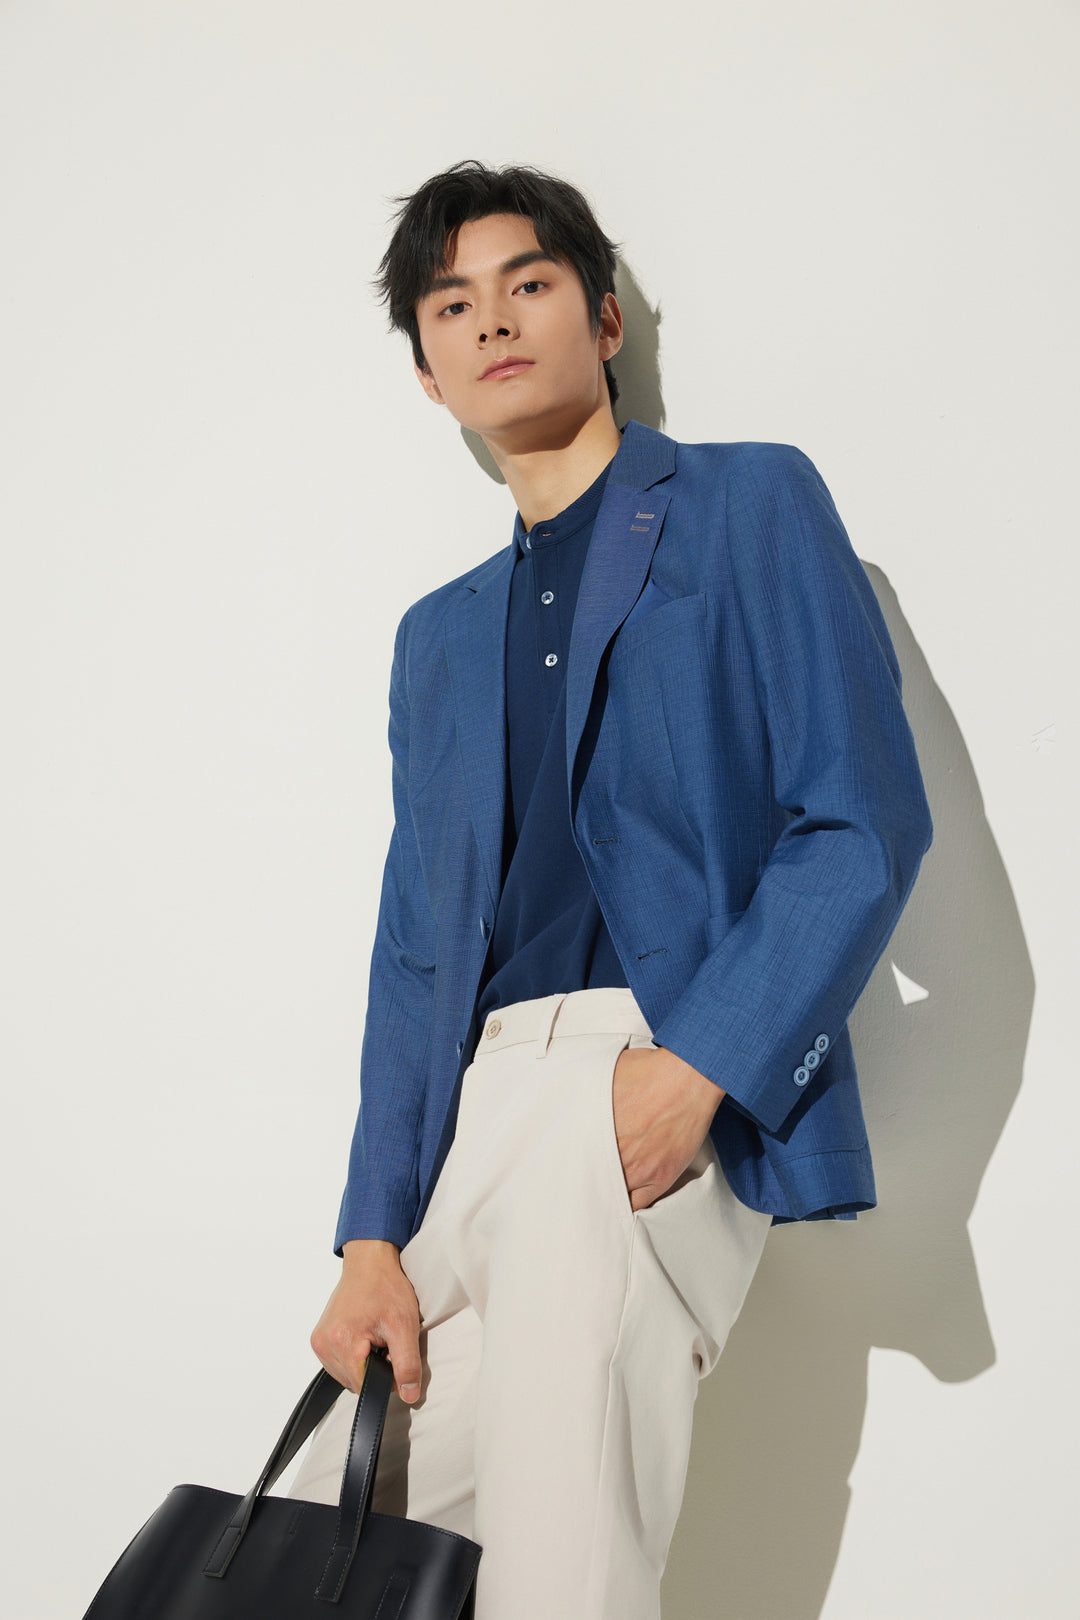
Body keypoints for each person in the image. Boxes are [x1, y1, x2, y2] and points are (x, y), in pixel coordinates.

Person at [286, 161, 933, 1619]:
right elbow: (414, 953)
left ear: (604, 318)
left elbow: (859, 819)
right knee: (326, 1552)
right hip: (465, 1130)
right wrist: (374, 1234)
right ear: (429, 373)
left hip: (630, 1083)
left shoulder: (749, 503)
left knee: (561, 1576)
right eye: (451, 304)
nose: (492, 319)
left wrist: (696, 1069)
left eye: (528, 283)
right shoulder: (437, 638)